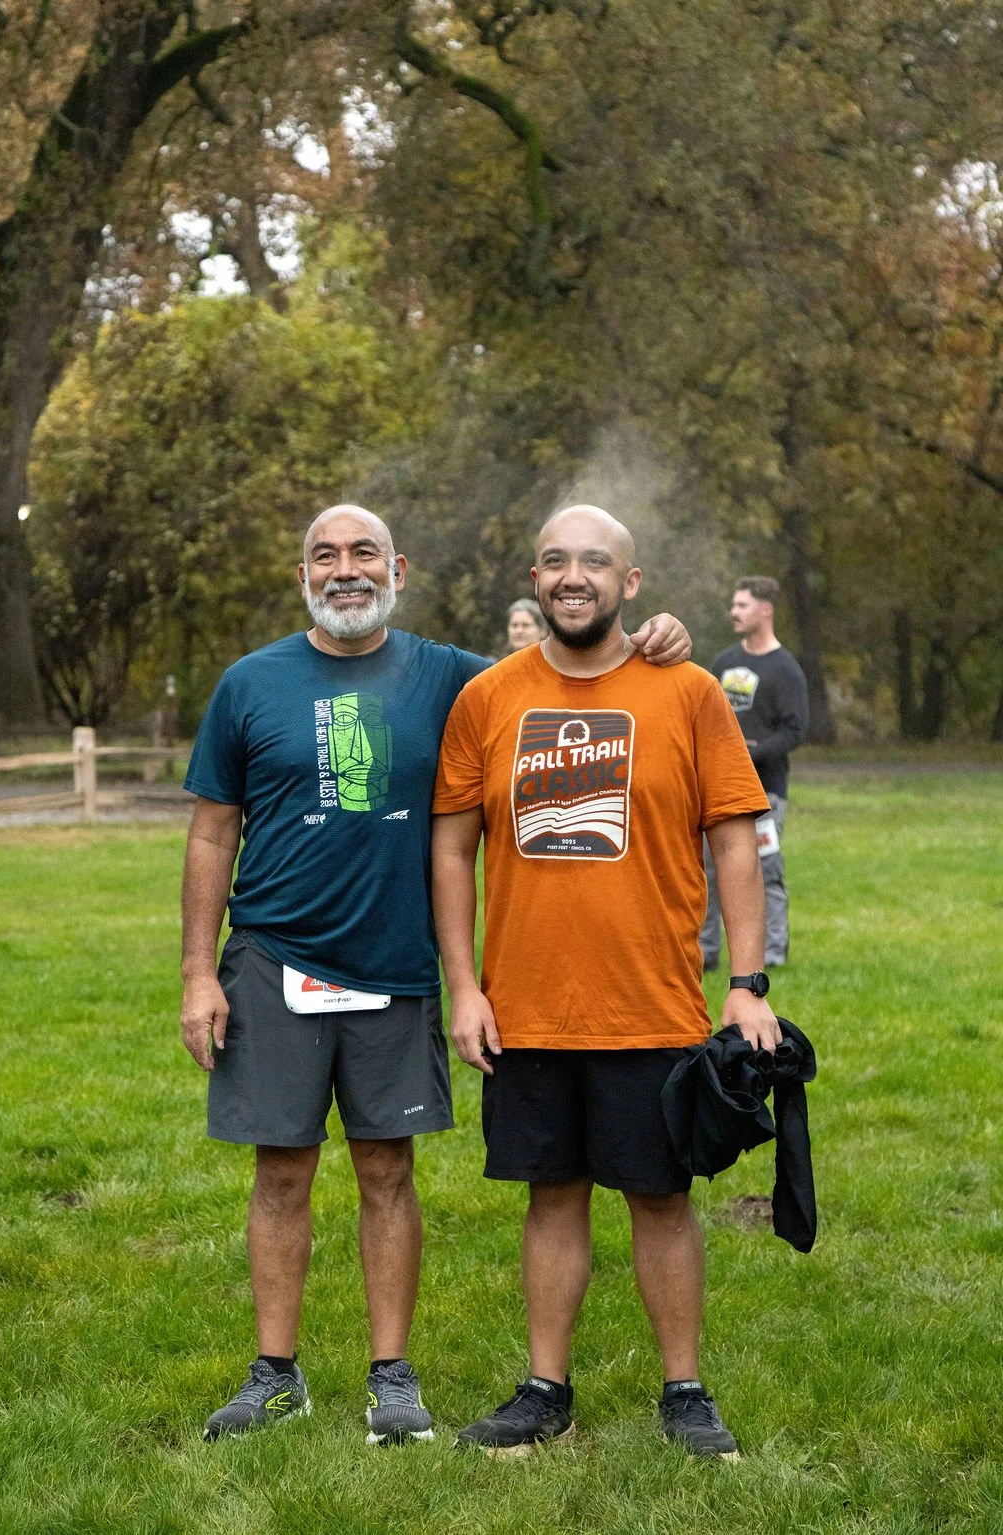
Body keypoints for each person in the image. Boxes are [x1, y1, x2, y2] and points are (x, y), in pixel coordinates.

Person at [179, 502, 692, 1443]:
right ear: (303, 575)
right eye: (324, 555)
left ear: (398, 570)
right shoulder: (249, 683)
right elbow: (213, 832)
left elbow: (572, 667)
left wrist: (655, 635)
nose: (344, 569)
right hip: (270, 958)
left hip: (398, 962)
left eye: (363, 552)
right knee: (281, 1171)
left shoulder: (458, 677)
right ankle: (275, 1374)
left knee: (387, 1168)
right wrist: (196, 972)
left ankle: (393, 1375)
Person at [431, 504, 780, 1460]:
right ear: (535, 580)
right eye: (554, 561)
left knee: (661, 1196)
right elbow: (451, 848)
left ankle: (685, 1391)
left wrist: (747, 982)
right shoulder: (489, 697)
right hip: (527, 1005)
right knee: (551, 1194)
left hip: (651, 1002)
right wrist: (464, 985)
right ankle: (545, 1390)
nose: (571, 575)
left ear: (630, 583)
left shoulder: (689, 691)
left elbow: (736, 843)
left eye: (593, 561)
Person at [700, 576, 809, 971]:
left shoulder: (785, 669)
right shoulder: (725, 663)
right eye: (734, 605)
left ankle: (772, 953)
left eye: (742, 605)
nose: (734, 612)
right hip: (718, 791)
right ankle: (705, 952)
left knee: (766, 870)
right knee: (708, 872)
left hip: (766, 792)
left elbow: (795, 730)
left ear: (766, 610)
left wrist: (754, 753)